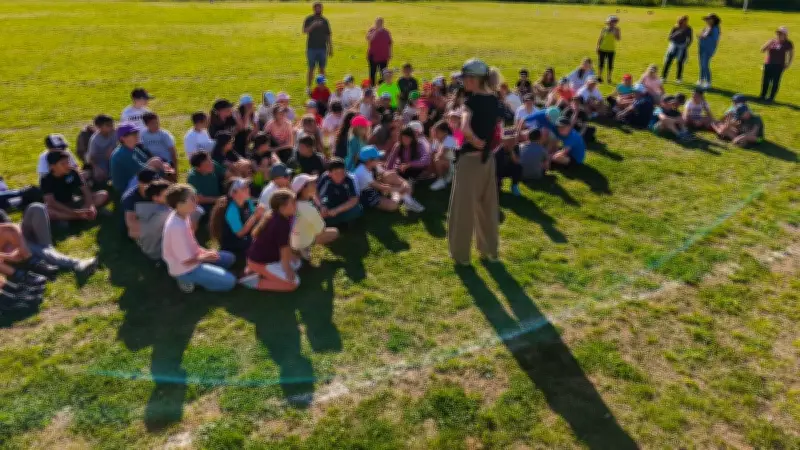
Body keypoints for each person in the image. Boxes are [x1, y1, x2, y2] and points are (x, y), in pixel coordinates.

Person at [448, 58, 501, 265]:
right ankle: (490, 251)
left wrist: (472, 138)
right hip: (488, 161)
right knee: (487, 207)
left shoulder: (471, 102)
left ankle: (461, 256)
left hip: (470, 162)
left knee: (462, 209)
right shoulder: (494, 99)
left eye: (465, 78)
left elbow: (464, 128)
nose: (463, 82)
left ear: (473, 79)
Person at [162, 184, 237, 293]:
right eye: (192, 199)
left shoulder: (184, 215)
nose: (196, 201)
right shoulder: (175, 228)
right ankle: (186, 280)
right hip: (186, 269)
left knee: (230, 258)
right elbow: (185, 261)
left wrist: (204, 252)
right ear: (179, 204)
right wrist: (204, 257)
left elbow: (191, 242)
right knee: (230, 282)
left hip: (195, 257)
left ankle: (209, 273)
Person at [0, 204, 97, 275]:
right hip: (9, 251)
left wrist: (20, 241)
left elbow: (12, 229)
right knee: (39, 249)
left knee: (36, 208)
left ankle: (45, 248)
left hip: (18, 240)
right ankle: (77, 264)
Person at [240, 189, 302, 292]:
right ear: (282, 207)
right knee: (293, 283)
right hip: (260, 262)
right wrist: (287, 269)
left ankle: (256, 272)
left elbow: (284, 245)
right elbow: (284, 248)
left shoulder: (275, 215)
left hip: (266, 259)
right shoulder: (281, 223)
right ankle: (254, 282)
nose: (296, 205)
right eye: (293, 203)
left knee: (297, 263)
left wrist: (291, 257)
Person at [41, 151, 109, 223]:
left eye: (67, 162)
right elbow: (51, 202)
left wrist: (89, 206)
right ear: (52, 166)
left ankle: (74, 217)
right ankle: (79, 217)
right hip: (59, 207)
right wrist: (75, 213)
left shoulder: (73, 172)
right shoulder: (46, 179)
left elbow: (86, 190)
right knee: (47, 212)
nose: (67, 165)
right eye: (63, 164)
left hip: (73, 201)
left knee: (103, 194)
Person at [353, 146, 423, 213]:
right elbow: (381, 187)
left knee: (391, 175)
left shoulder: (373, 165)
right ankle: (402, 197)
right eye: (377, 158)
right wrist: (398, 189)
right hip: (366, 194)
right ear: (369, 161)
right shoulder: (362, 172)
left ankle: (404, 197)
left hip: (374, 187)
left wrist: (394, 174)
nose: (379, 159)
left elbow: (385, 174)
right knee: (393, 206)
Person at [290, 174, 339, 260]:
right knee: (335, 232)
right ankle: (305, 248)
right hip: (300, 241)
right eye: (312, 183)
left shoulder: (292, 204)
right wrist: (320, 216)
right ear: (303, 189)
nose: (315, 185)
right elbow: (321, 230)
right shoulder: (309, 208)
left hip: (291, 239)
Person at [209, 178, 261, 254]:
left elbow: (255, 219)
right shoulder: (231, 210)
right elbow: (240, 233)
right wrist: (255, 216)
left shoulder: (248, 201)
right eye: (243, 188)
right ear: (233, 194)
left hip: (246, 234)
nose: (248, 189)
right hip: (233, 241)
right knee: (259, 241)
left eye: (247, 187)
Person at [109, 123, 164, 193]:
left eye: (136, 133)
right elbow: (141, 171)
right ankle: (166, 188)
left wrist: (162, 166)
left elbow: (146, 160)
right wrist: (159, 169)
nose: (137, 135)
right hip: (125, 187)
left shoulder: (133, 148)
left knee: (157, 161)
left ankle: (167, 187)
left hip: (134, 178)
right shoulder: (122, 154)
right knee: (155, 162)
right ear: (122, 138)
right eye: (133, 134)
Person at [317, 157, 363, 226]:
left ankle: (330, 222)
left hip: (344, 205)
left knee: (357, 209)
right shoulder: (325, 177)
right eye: (336, 174)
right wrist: (322, 205)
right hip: (329, 202)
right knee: (315, 207)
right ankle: (339, 222)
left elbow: (354, 200)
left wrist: (337, 210)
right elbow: (317, 194)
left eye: (342, 173)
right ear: (329, 173)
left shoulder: (351, 178)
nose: (340, 176)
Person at [133, 180, 171, 261]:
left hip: (144, 247)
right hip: (157, 252)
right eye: (167, 195)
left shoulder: (142, 207)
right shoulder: (166, 213)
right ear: (155, 198)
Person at [303, 2, 332, 92]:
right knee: (311, 68)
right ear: (314, 9)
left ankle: (322, 87)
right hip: (311, 48)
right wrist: (313, 25)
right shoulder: (309, 19)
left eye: (320, 8)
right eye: (317, 8)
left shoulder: (325, 21)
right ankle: (308, 87)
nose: (319, 9)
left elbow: (328, 35)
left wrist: (330, 48)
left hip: (323, 48)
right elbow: (304, 31)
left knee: (322, 69)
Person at [122, 168, 158, 239]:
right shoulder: (130, 198)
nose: (151, 186)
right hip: (138, 226)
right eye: (147, 183)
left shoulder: (156, 191)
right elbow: (131, 223)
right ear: (139, 183)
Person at [760, 26, 793, 102]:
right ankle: (762, 96)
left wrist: (788, 63)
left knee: (775, 82)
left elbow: (791, 54)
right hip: (768, 64)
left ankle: (771, 98)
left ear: (785, 35)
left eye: (780, 33)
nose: (778, 34)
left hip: (779, 65)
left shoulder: (788, 43)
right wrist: (768, 44)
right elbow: (762, 50)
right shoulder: (772, 41)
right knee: (765, 81)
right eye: (778, 33)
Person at [86, 115, 116, 186]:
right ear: (99, 127)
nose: (111, 127)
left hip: (114, 158)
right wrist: (96, 168)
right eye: (108, 125)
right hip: (100, 161)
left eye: (112, 124)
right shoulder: (95, 140)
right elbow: (91, 158)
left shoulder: (115, 133)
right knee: (99, 177)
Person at [662, 15, 693, 83]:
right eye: (684, 21)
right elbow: (669, 38)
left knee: (680, 63)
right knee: (668, 61)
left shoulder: (689, 28)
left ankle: (678, 78)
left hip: (682, 47)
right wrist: (677, 33)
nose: (685, 22)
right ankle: (663, 77)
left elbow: (690, 38)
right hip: (673, 46)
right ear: (680, 21)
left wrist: (686, 46)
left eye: (686, 21)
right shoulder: (675, 27)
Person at [366, 17, 393, 87]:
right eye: (377, 22)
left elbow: (390, 43)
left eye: (380, 23)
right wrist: (376, 31)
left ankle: (382, 87)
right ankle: (372, 87)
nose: (378, 24)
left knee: (383, 74)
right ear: (375, 23)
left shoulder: (386, 32)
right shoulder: (372, 30)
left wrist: (390, 53)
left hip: (383, 57)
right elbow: (369, 38)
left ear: (382, 23)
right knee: (372, 73)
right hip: (373, 56)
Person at [697, 13, 721, 89]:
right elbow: (702, 35)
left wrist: (703, 37)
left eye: (708, 19)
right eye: (706, 19)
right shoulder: (707, 27)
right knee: (701, 65)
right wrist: (701, 36)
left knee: (705, 65)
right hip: (702, 48)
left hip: (708, 49)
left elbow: (714, 40)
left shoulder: (715, 28)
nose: (707, 21)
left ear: (713, 20)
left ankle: (708, 82)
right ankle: (701, 80)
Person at [596, 15, 621, 83]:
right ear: (608, 22)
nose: (612, 23)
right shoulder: (604, 29)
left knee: (610, 65)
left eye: (614, 22)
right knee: (601, 63)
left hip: (611, 50)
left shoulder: (617, 29)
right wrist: (597, 46)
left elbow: (618, 39)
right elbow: (600, 38)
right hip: (602, 49)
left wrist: (615, 33)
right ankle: (599, 77)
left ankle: (609, 78)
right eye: (611, 22)